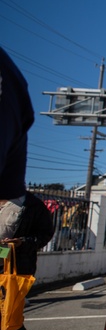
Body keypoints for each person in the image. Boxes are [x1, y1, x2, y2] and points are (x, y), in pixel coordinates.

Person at [2, 192, 55, 330]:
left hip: (13, 264)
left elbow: (45, 234)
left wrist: (23, 242)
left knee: (7, 310)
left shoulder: (32, 206)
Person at [0, 48, 35, 241]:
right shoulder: (11, 78)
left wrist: (26, 242)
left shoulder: (34, 209)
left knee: (5, 261)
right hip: (10, 252)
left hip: (19, 255)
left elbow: (45, 234)